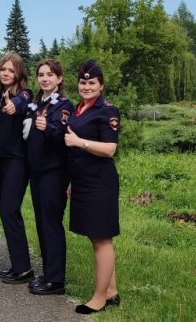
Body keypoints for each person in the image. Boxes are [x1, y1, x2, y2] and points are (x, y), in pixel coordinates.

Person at [64, 60, 121, 314]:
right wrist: (71, 181)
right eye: (83, 82)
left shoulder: (107, 111)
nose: (86, 86)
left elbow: (110, 149)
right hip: (82, 180)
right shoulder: (79, 109)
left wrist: (79, 141)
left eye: (92, 83)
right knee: (95, 236)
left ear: (101, 85)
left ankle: (99, 299)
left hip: (100, 181)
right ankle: (112, 291)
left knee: (101, 238)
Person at [26, 59, 73, 296]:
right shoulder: (39, 103)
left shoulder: (63, 106)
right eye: (41, 75)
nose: (45, 79)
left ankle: (56, 280)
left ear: (59, 79)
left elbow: (63, 134)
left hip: (54, 172)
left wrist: (49, 128)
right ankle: (48, 273)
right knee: (42, 223)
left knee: (52, 224)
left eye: (50, 75)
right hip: (38, 171)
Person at [0, 53, 34, 284]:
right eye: (3, 69)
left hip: (17, 161)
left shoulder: (23, 94)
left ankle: (25, 268)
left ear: (19, 74)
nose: (6, 73)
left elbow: (22, 103)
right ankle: (18, 264)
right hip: (0, 161)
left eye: (11, 70)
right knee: (5, 212)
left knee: (10, 210)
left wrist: (14, 106)